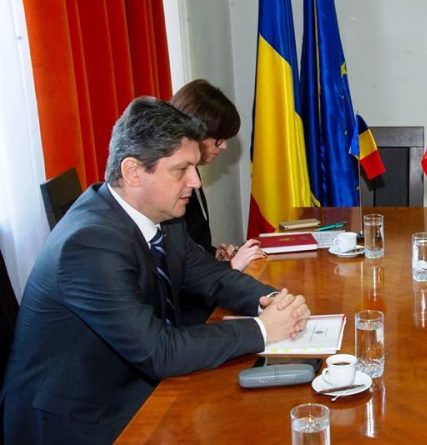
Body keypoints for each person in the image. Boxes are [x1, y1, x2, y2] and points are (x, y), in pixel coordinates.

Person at [2, 97, 310, 444]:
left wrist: (273, 301)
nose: (195, 181)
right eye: (181, 169)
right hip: (79, 418)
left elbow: (215, 277)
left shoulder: (162, 217)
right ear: (133, 172)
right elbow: (158, 351)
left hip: (133, 384)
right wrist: (263, 329)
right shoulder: (89, 244)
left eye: (194, 167)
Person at [170, 79, 264, 271]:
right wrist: (231, 267)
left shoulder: (191, 171)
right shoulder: (170, 185)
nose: (224, 146)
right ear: (194, 133)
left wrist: (212, 255)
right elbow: (176, 267)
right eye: (219, 139)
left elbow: (191, 243)